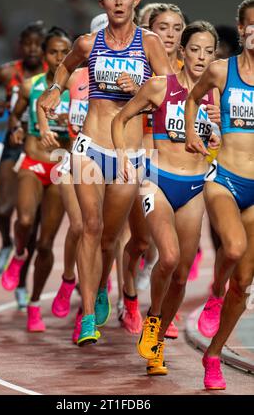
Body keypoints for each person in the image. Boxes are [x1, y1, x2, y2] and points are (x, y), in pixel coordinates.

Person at [37, 0, 173, 346]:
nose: (117, 2)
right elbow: (64, 68)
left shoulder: (150, 43)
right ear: (102, 3)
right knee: (90, 227)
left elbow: (167, 89)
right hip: (91, 146)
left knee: (110, 237)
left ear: (136, 0)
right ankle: (87, 316)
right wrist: (53, 90)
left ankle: (99, 290)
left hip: (127, 154)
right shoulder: (87, 43)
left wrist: (142, 90)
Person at [112, 21, 220, 376]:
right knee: (168, 257)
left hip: (194, 189)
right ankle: (151, 319)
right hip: (156, 180)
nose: (201, 57)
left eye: (208, 51)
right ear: (183, 53)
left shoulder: (217, 95)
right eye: (195, 49)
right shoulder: (161, 86)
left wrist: (219, 137)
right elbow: (121, 118)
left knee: (180, 276)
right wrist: (124, 156)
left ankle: (156, 338)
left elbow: (226, 144)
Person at [185, 0, 254, 390]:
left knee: (243, 284)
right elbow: (192, 99)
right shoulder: (220, 70)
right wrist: (195, 132)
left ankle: (214, 355)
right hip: (225, 176)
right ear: (241, 28)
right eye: (250, 23)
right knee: (231, 248)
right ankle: (214, 292)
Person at [0, 22, 47, 310]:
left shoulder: (50, 77)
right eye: (26, 44)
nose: (31, 50)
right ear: (20, 45)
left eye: (37, 45)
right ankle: (5, 242)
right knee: (3, 208)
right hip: (12, 146)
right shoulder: (6, 72)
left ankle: (22, 285)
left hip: (40, 149)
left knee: (31, 225)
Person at [2, 26, 73, 331]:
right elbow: (15, 114)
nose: (59, 58)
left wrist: (71, 124)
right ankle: (18, 254)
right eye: (54, 52)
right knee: (26, 221)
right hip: (32, 162)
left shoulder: (79, 90)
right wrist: (16, 127)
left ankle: (33, 304)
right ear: (45, 56)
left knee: (45, 245)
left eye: (64, 53)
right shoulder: (31, 86)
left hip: (60, 168)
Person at [121, 3, 186, 337]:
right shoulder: (137, 68)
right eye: (163, 28)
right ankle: (129, 299)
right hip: (139, 160)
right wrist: (134, 92)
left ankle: (160, 311)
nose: (171, 35)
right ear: (150, 32)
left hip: (177, 167)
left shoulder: (192, 69)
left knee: (170, 249)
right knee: (141, 242)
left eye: (177, 28)